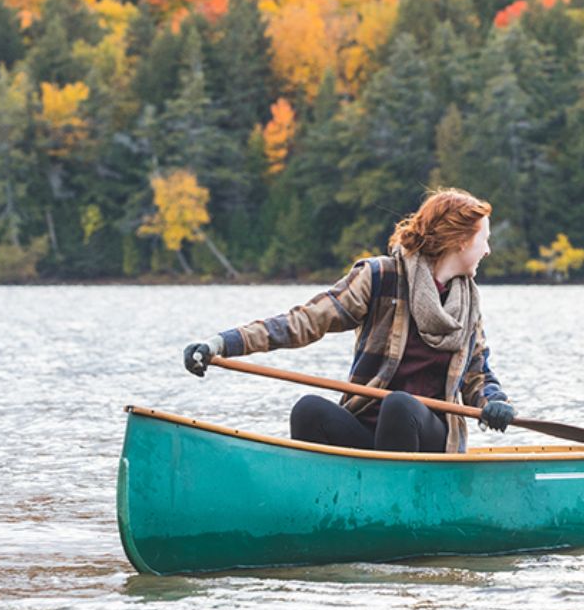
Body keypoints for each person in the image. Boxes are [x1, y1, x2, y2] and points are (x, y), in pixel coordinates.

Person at [182, 188, 514, 454]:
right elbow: (304, 321)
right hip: (366, 430)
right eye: (484, 239)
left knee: (400, 405)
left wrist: (495, 403)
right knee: (308, 410)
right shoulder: (380, 276)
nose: (488, 250)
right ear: (460, 241)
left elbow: (477, 376)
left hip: (429, 441)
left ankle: (393, 510)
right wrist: (221, 343)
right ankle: (323, 508)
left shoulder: (469, 304)